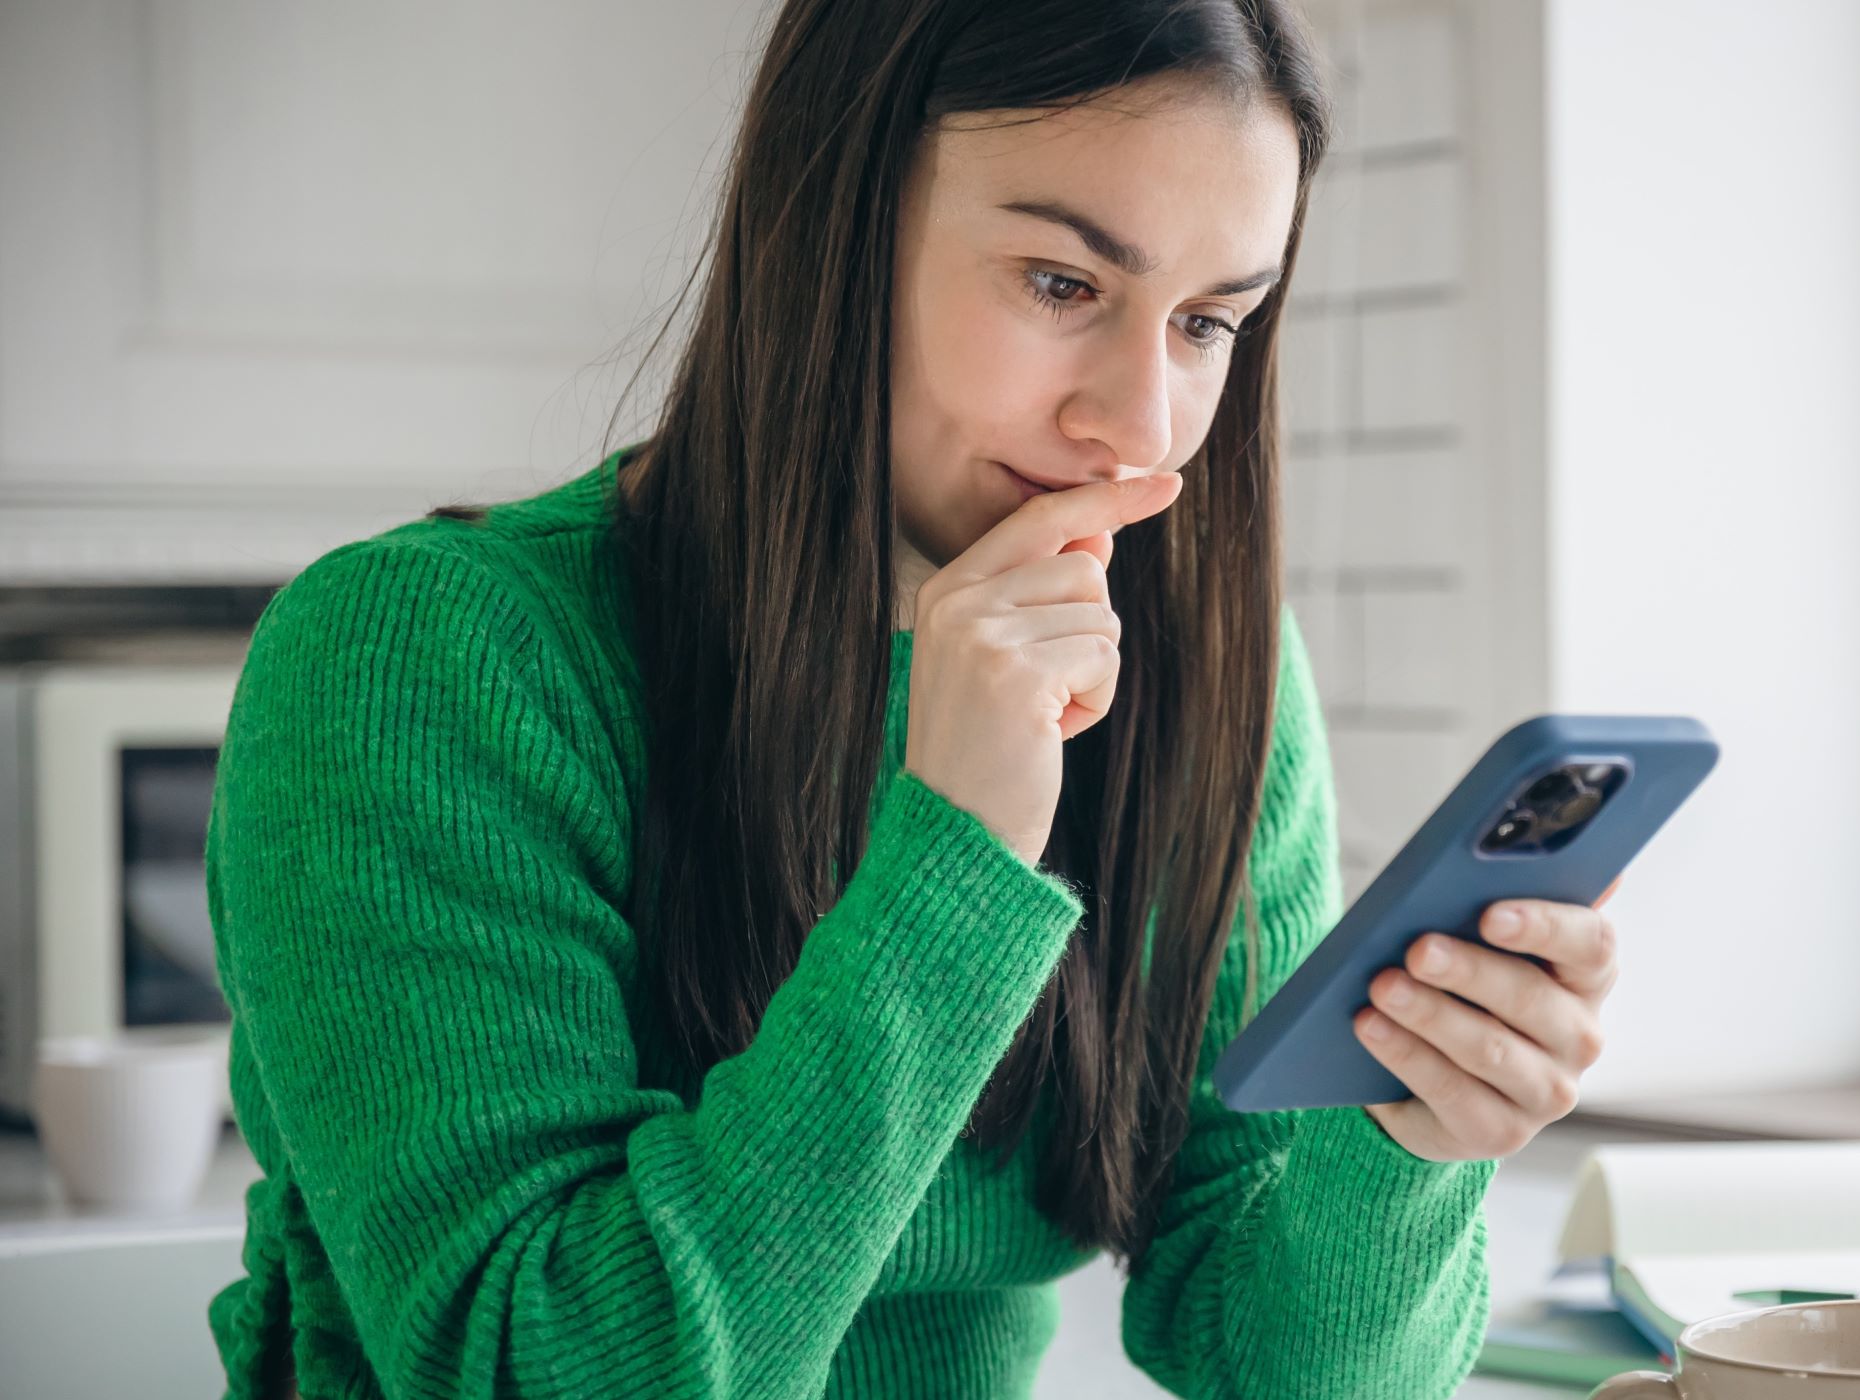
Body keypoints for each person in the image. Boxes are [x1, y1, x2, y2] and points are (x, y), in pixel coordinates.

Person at [199, 2, 1619, 1396]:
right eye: (1062, 285)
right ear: (832, 224)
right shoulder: (427, 657)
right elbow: (543, 1370)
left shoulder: (1199, 675)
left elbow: (1285, 1366)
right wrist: (958, 850)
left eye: (1204, 322)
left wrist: (1411, 1135)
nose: (1139, 422)